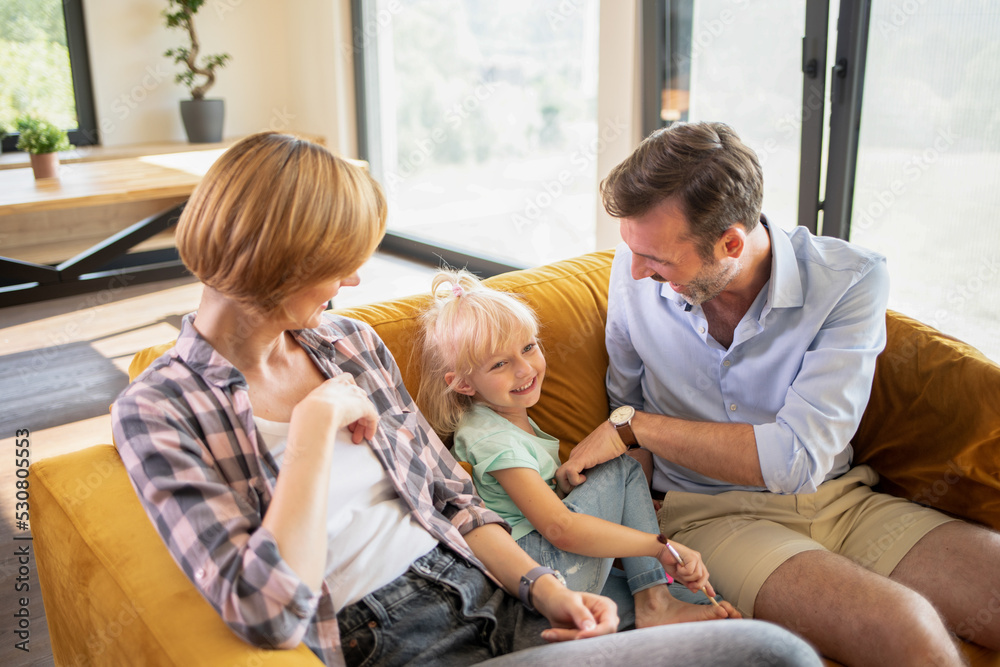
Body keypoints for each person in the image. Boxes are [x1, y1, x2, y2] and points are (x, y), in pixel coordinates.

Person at [111, 132, 822, 667]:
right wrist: (313, 426)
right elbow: (267, 611)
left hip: (492, 586)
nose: (355, 280)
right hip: (392, 634)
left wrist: (547, 590)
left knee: (769, 651)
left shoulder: (348, 343)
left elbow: (454, 498)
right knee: (768, 654)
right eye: (339, 260)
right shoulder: (157, 411)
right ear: (278, 257)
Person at [556, 121, 1000, 667]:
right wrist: (643, 549)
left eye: (660, 260)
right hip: (708, 517)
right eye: (632, 249)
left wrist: (639, 428)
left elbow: (797, 460)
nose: (637, 270)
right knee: (905, 629)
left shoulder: (849, 281)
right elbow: (624, 405)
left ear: (731, 243)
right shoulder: (633, 273)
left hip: (841, 499)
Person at [417, 270, 741, 630]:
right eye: (499, 364)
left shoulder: (505, 419)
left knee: (698, 606)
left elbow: (538, 504)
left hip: (557, 572)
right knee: (623, 468)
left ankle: (657, 606)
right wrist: (656, 546)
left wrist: (576, 492)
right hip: (543, 567)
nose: (525, 369)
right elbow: (559, 528)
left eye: (528, 347)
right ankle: (654, 600)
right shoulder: (491, 438)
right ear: (462, 383)